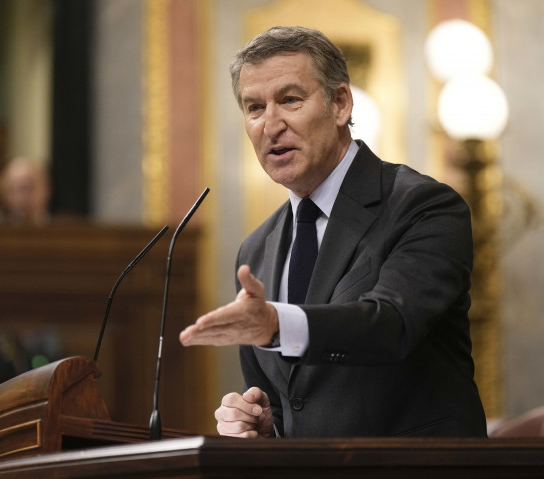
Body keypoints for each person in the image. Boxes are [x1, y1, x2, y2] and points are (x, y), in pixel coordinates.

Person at [180, 26, 487, 438]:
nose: (270, 125)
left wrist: (274, 324)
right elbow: (290, 401)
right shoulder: (256, 249)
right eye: (254, 108)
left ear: (340, 103)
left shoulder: (424, 207)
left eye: (290, 100)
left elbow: (390, 325)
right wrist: (263, 423)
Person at [0, 157, 51, 226]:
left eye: (27, 188)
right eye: (12, 190)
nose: (20, 197)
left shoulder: (62, 229)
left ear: (46, 189)